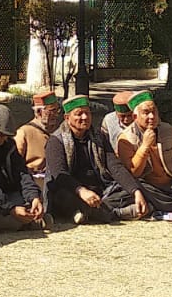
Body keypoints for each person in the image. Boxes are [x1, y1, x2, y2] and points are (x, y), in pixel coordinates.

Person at [43, 96, 147, 224]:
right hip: (71, 190)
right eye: (79, 114)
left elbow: (115, 166)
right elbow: (59, 174)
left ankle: (92, 212)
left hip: (100, 191)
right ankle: (114, 213)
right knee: (64, 197)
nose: (85, 117)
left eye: (87, 113)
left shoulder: (99, 137)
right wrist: (81, 191)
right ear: (67, 118)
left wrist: (135, 191)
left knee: (135, 188)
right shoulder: (56, 141)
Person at [15, 91, 61, 174]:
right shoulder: (24, 133)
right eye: (52, 111)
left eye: (57, 110)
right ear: (39, 112)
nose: (56, 115)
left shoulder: (58, 131)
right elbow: (15, 165)